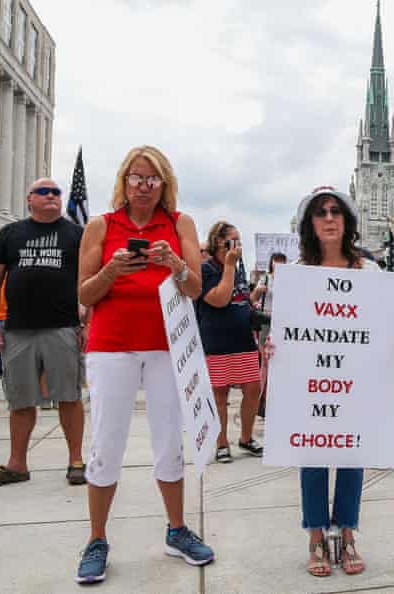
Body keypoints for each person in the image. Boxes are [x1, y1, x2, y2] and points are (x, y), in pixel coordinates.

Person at [75, 146, 211, 584]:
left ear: (164, 184)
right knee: (106, 443)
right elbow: (85, 294)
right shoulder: (101, 225)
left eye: (152, 180)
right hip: (111, 345)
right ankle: (97, 539)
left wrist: (175, 265)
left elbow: (194, 288)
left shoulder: (179, 223)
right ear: (124, 180)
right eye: (136, 178)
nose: (144, 186)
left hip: (168, 346)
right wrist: (112, 271)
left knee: (169, 441)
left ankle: (177, 529)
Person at [270, 186, 382, 578]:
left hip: (355, 379)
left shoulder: (369, 272)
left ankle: (347, 534)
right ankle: (316, 536)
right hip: (312, 381)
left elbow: (380, 326)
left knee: (353, 455)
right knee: (313, 457)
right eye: (321, 212)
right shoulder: (298, 275)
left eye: (336, 211)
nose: (330, 218)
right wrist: (275, 347)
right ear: (309, 223)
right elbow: (286, 331)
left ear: (347, 220)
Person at [0, 178, 87, 489]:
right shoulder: (11, 233)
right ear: (30, 199)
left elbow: (89, 279)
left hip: (63, 327)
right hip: (18, 329)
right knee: (20, 400)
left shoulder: (76, 234)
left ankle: (76, 461)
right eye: (43, 191)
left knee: (69, 396)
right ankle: (17, 464)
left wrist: (87, 322)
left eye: (56, 192)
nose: (51, 195)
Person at [196, 222, 263, 463]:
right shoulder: (206, 269)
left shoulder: (240, 268)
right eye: (231, 241)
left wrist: (253, 303)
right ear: (217, 243)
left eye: (239, 241)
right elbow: (220, 299)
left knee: (253, 388)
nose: (237, 246)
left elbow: (239, 297)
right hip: (217, 341)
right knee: (219, 395)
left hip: (243, 338)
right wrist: (229, 266)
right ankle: (222, 442)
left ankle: (246, 437)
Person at [251, 252, 286, 418]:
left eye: (281, 262)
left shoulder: (289, 280)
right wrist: (258, 291)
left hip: (282, 322)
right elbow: (252, 298)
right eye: (275, 261)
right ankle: (261, 400)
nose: (278, 264)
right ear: (271, 263)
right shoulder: (265, 279)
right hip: (266, 321)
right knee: (265, 361)